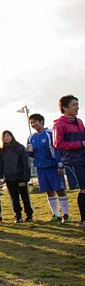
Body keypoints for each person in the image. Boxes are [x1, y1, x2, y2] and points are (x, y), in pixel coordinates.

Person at [27, 113, 70, 222]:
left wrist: (60, 164)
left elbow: (58, 150)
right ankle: (55, 215)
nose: (33, 124)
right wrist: (29, 152)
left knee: (60, 189)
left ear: (41, 121)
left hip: (53, 166)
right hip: (40, 168)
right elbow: (31, 154)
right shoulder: (31, 137)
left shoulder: (50, 134)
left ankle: (66, 215)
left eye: (35, 122)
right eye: (31, 122)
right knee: (48, 191)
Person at [53, 94, 85, 227]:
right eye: (74, 105)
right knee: (84, 189)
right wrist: (80, 144)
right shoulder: (59, 125)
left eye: (77, 105)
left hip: (83, 158)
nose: (77, 107)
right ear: (65, 108)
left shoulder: (79, 122)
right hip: (73, 161)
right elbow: (58, 144)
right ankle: (83, 219)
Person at [0, 130, 34, 223]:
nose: (6, 138)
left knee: (25, 196)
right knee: (14, 197)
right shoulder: (1, 150)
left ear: (12, 136)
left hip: (21, 176)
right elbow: (0, 164)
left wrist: (26, 175)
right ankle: (18, 215)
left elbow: (26, 162)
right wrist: (0, 176)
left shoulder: (19, 147)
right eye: (4, 136)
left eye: (8, 135)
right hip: (9, 177)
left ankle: (29, 215)